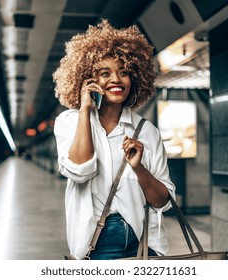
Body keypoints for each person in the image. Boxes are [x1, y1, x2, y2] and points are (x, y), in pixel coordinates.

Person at [52, 19, 176, 260]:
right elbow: (80, 171)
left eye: (124, 72)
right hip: (96, 243)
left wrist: (139, 167)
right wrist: (85, 110)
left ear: (135, 77)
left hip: (144, 242)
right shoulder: (69, 121)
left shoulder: (147, 131)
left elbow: (162, 201)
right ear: (87, 79)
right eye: (104, 73)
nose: (116, 80)